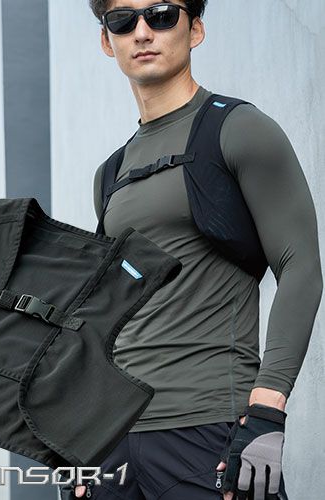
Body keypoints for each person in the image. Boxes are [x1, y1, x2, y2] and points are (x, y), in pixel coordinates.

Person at [69, 1, 323, 499]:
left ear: (196, 29)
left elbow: (300, 266)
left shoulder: (238, 129)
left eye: (162, 14)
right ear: (107, 41)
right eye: (123, 20)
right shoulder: (111, 173)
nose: (143, 31)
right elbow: (106, 312)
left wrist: (268, 408)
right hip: (112, 439)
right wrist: (76, 434)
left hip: (209, 428)